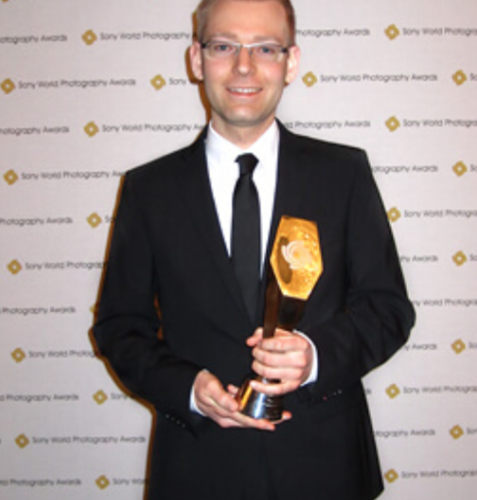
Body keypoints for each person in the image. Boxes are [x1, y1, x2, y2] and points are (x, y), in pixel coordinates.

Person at [93, 0, 415, 499]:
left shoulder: (343, 175)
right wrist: (187, 388)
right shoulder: (149, 190)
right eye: (224, 46)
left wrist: (314, 357)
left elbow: (388, 310)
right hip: (200, 469)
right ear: (197, 59)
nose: (244, 66)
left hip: (326, 469)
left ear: (291, 62)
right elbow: (120, 326)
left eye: (265, 48)